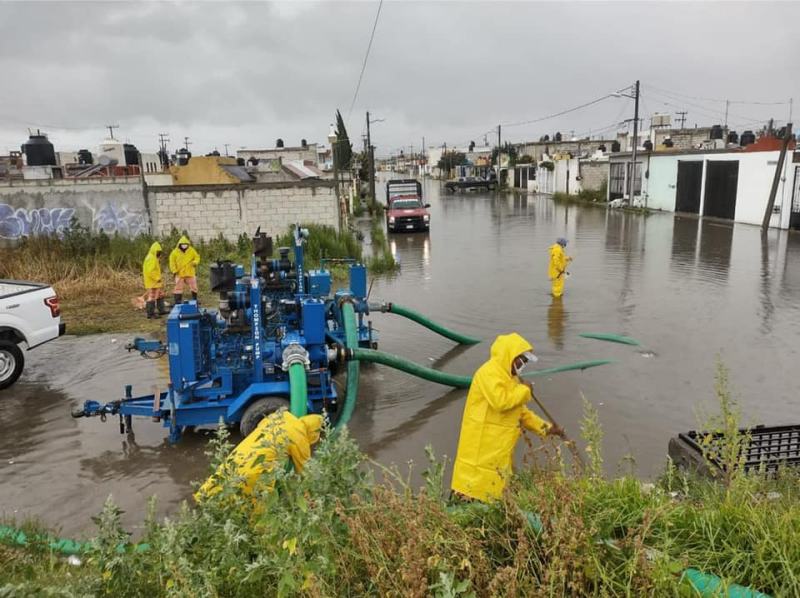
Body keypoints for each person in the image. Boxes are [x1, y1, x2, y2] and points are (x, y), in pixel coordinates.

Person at [450, 333, 565, 502]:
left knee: (494, 489)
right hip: (481, 446)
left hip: (498, 448)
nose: (523, 365)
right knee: (472, 487)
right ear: (510, 356)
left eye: (525, 362)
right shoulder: (488, 373)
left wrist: (547, 428)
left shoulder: (512, 379)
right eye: (522, 360)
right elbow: (501, 401)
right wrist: (525, 391)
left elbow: (521, 412)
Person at [195, 411, 323, 502]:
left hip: (245, 450)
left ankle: (204, 500)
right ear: (313, 433)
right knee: (253, 502)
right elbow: (305, 470)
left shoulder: (282, 416)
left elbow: (262, 422)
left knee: (225, 475)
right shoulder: (300, 437)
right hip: (256, 468)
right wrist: (310, 498)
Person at [169, 235, 201, 305]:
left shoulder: (191, 250)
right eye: (183, 244)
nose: (184, 246)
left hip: (190, 272)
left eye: (185, 244)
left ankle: (195, 299)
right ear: (179, 244)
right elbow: (172, 262)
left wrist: (195, 262)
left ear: (188, 244)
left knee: (194, 286)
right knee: (178, 288)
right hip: (179, 273)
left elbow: (197, 257)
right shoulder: (174, 252)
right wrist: (174, 270)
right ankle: (177, 302)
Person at [142, 241, 169, 319]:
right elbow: (150, 271)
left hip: (154, 281)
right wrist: (157, 278)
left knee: (160, 294)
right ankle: (150, 314)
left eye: (160, 252)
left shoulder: (153, 257)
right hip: (152, 281)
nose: (159, 253)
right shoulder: (151, 258)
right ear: (154, 250)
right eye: (158, 252)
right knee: (152, 296)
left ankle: (161, 310)